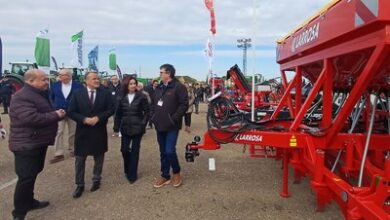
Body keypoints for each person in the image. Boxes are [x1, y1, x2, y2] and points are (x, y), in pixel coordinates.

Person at [8, 69, 66, 220]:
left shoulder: (39, 94)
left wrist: (55, 112)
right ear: (31, 81)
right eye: (43, 79)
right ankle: (19, 213)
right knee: (26, 178)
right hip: (26, 144)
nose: (47, 82)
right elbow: (31, 118)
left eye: (47, 79)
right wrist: (56, 115)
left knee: (33, 173)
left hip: (37, 142)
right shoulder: (22, 97)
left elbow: (42, 112)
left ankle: (29, 202)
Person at [67, 71, 114, 199]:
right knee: (80, 160)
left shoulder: (105, 93)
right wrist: (84, 119)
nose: (97, 80)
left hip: (99, 130)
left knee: (99, 158)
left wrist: (99, 117)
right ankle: (80, 185)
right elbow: (71, 111)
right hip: (83, 131)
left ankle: (96, 180)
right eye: (94, 79)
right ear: (86, 81)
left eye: (98, 78)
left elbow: (111, 109)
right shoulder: (78, 94)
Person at [150, 64, 188, 188]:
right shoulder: (159, 88)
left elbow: (184, 105)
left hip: (172, 125)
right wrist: (153, 117)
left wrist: (173, 119)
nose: (160, 74)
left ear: (169, 74)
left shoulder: (179, 87)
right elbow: (153, 104)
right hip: (159, 124)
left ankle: (176, 172)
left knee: (169, 150)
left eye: (162, 72)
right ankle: (165, 175)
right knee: (162, 151)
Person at [113, 77, 150, 183]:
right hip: (125, 127)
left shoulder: (141, 96)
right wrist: (116, 127)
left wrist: (143, 124)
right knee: (124, 150)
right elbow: (118, 113)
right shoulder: (121, 97)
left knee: (135, 151)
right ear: (126, 85)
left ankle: (132, 174)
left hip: (138, 127)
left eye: (134, 83)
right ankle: (127, 168)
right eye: (131, 84)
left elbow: (147, 112)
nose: (133, 85)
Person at [49, 68, 83, 163]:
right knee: (58, 132)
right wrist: (54, 108)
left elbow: (82, 99)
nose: (61, 77)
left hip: (74, 112)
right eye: (60, 75)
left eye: (63, 75)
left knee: (73, 132)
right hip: (59, 113)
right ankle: (58, 154)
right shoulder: (55, 85)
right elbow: (50, 98)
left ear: (69, 76)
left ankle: (73, 150)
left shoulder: (78, 86)